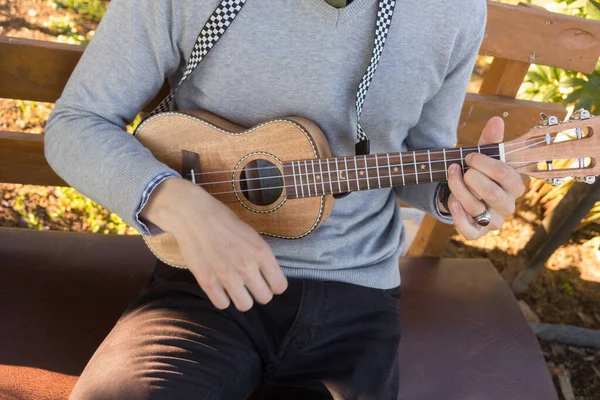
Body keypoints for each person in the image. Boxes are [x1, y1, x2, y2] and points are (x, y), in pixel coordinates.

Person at [44, 0, 525, 398]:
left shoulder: (452, 11)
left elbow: (418, 156)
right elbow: (77, 122)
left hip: (356, 300)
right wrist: (179, 205)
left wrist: (460, 194)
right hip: (204, 283)